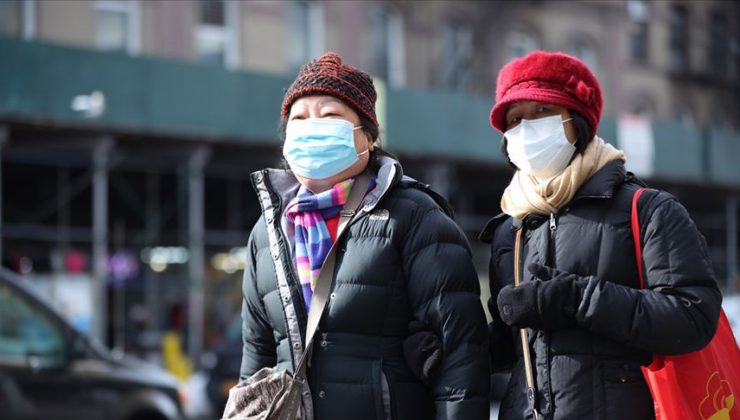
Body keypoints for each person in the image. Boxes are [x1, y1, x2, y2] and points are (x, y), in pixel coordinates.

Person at [239, 52, 490, 420]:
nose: (312, 127)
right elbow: (256, 358)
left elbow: (462, 355)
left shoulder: (414, 217)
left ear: (367, 137)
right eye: (299, 118)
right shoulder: (268, 232)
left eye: (330, 116)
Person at [479, 51, 722, 419]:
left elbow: (693, 317)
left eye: (542, 111)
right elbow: (516, 346)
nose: (526, 129)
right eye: (515, 119)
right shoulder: (508, 229)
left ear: (578, 122)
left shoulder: (649, 210)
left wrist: (577, 298)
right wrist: (451, 348)